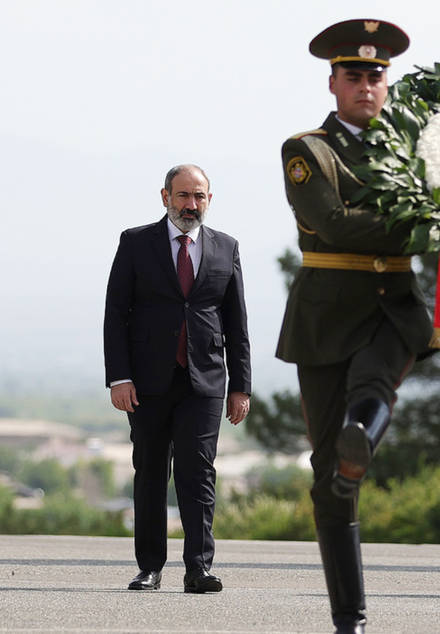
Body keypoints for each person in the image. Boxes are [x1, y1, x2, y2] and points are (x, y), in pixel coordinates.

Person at [275, 19, 433, 634]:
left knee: (375, 381)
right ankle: (350, 616)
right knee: (329, 481)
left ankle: (361, 432)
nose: (367, 85)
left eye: (376, 75)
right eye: (355, 76)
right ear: (334, 82)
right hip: (326, 315)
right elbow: (334, 225)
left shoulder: (413, 148)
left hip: (395, 305)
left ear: (386, 82)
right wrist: (424, 219)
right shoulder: (307, 149)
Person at [104, 164, 251, 594]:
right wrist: (119, 377)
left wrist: (240, 385)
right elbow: (116, 314)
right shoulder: (135, 243)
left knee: (198, 472)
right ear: (165, 196)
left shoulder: (226, 247)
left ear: (209, 200)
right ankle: (149, 567)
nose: (191, 204)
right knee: (150, 470)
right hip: (146, 381)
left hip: (204, 380)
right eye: (183, 195)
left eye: (199, 196)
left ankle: (198, 569)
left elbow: (237, 322)